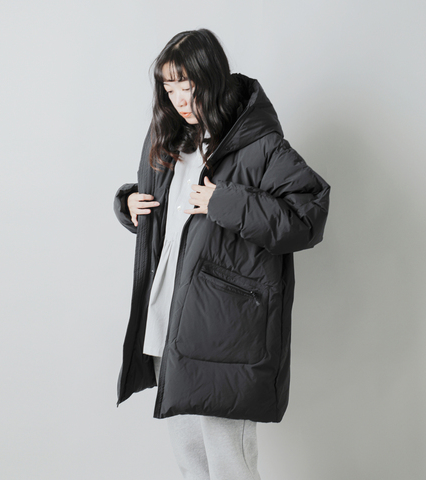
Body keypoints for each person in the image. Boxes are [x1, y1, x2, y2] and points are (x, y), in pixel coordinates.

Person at [114, 28, 330, 480]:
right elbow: (175, 214)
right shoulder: (171, 137)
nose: (178, 99)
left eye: (186, 86)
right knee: (190, 458)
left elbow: (307, 217)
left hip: (224, 328)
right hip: (169, 314)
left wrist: (224, 202)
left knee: (229, 462)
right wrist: (128, 201)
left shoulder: (258, 144)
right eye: (169, 88)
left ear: (211, 79)